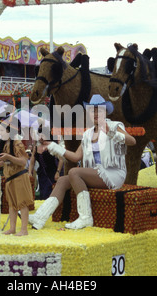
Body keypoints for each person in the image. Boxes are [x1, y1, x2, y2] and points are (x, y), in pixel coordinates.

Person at [28, 95, 136, 230]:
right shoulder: (87, 134)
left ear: (105, 112)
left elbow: (132, 141)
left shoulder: (114, 125)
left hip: (113, 174)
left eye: (99, 110)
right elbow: (75, 157)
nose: (96, 113)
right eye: (92, 111)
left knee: (74, 172)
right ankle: (39, 217)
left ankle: (85, 217)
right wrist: (52, 145)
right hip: (93, 173)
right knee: (62, 180)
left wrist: (111, 132)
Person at [0, 120, 34, 236]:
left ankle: (24, 229)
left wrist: (8, 156)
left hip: (19, 177)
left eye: (2, 131)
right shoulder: (6, 144)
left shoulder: (17, 144)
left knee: (22, 204)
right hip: (10, 178)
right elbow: (6, 162)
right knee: (12, 205)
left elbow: (23, 162)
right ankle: (12, 228)